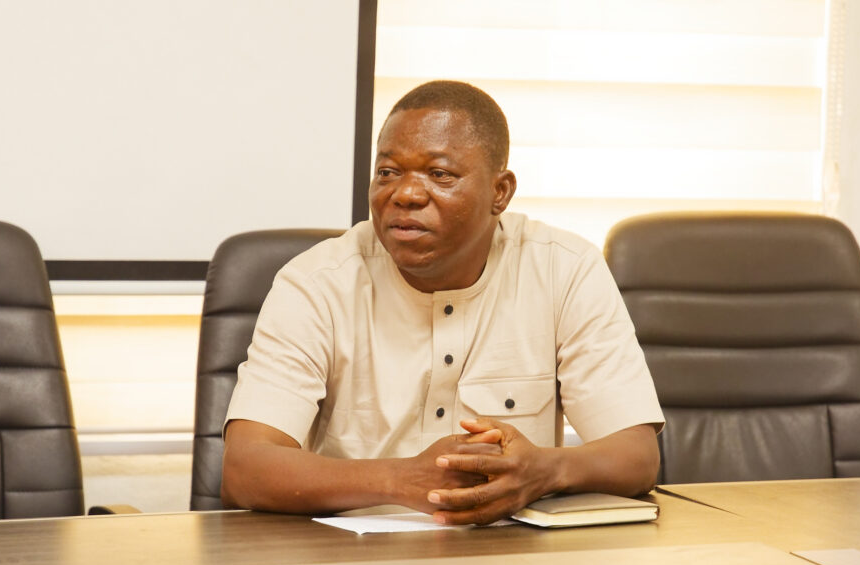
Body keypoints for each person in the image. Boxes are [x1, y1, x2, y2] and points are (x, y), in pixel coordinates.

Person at [221, 80, 664, 525]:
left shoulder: (564, 268)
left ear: (500, 192)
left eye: (439, 174)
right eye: (387, 172)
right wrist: (400, 480)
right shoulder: (316, 283)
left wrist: (544, 471)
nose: (405, 194)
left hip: (512, 554)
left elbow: (637, 456)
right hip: (349, 556)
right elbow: (245, 469)